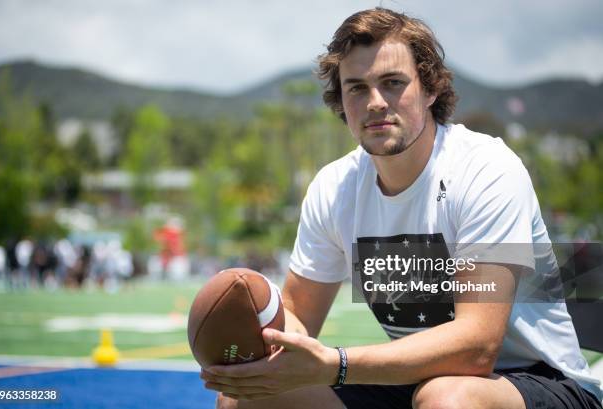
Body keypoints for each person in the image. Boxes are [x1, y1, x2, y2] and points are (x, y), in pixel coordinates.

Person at [205, 8, 603, 409]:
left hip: (541, 381)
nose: (375, 102)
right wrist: (257, 347)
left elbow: (477, 347)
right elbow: (297, 318)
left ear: (430, 90)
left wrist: (334, 365)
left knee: (449, 398)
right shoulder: (334, 188)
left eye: (393, 83)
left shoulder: (486, 169)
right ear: (341, 101)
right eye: (357, 88)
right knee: (244, 401)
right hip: (422, 381)